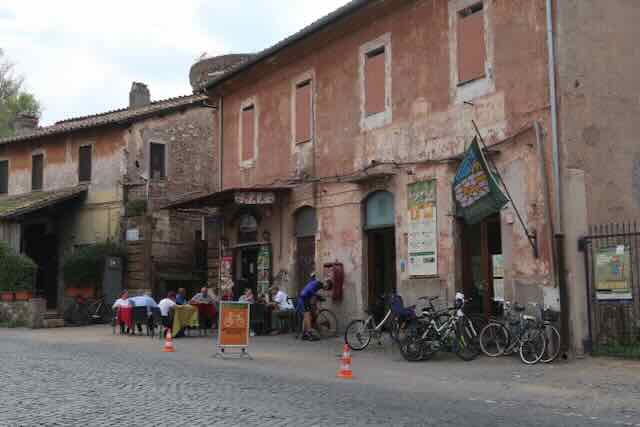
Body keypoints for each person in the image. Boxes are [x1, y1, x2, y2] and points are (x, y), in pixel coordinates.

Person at [298, 273, 331, 341]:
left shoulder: (317, 282)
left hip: (304, 297)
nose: (326, 289)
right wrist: (317, 296)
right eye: (327, 287)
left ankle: (304, 334)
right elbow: (311, 290)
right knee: (307, 315)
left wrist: (313, 275)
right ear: (326, 284)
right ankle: (310, 333)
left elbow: (311, 283)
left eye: (327, 289)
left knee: (306, 316)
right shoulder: (318, 284)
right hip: (304, 297)